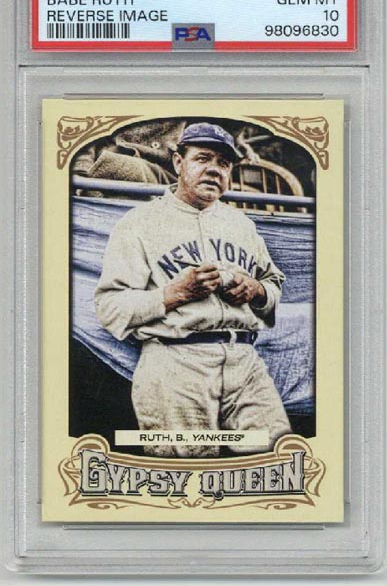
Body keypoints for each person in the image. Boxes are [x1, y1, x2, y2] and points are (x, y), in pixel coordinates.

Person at [95, 122, 291, 457]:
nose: (214, 169)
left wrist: (256, 290)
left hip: (244, 361)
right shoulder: (138, 223)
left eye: (224, 163)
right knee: (188, 475)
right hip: (176, 362)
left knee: (277, 459)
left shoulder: (241, 224)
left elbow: (273, 284)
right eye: (203, 158)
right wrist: (175, 293)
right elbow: (110, 307)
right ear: (178, 162)